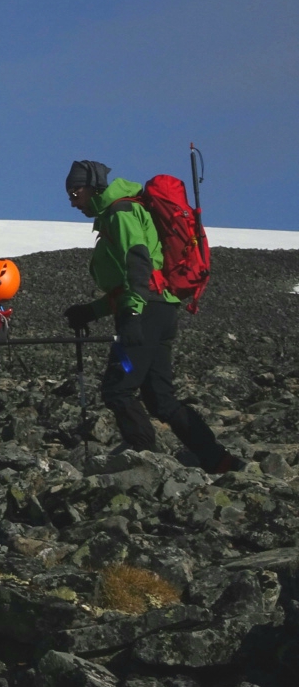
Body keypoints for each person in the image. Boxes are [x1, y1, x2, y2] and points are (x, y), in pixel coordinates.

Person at [62, 160, 238, 473]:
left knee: (118, 387)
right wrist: (92, 311)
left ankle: (141, 454)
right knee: (161, 399)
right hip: (160, 310)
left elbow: (138, 264)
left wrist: (130, 314)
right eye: (70, 194)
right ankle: (218, 459)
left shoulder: (121, 212)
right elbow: (135, 281)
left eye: (76, 191)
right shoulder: (118, 212)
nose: (73, 200)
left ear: (93, 186)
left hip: (145, 313)